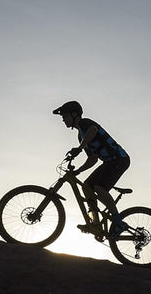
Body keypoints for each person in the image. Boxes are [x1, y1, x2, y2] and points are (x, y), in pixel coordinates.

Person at [52, 100, 130, 237]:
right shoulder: (80, 135)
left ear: (74, 114)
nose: (63, 120)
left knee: (99, 187)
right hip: (109, 162)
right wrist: (78, 170)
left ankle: (118, 222)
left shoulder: (85, 124)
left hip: (119, 159)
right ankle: (95, 222)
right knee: (86, 186)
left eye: (65, 116)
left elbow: (93, 130)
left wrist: (79, 149)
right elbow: (93, 159)